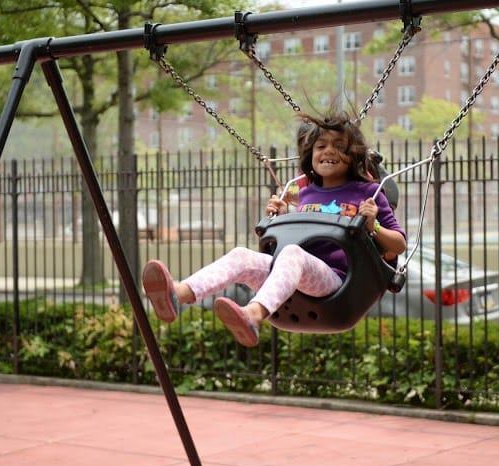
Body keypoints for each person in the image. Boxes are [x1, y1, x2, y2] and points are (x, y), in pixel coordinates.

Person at [141, 110, 407, 347]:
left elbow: (399, 245)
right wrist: (281, 219)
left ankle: (253, 315)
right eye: (320, 146)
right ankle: (179, 294)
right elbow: (301, 238)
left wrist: (373, 226)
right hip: (297, 279)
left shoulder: (369, 192)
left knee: (292, 254)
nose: (328, 151)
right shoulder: (306, 194)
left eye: (339, 146)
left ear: (354, 155)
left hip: (339, 282)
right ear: (311, 155)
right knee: (240, 255)